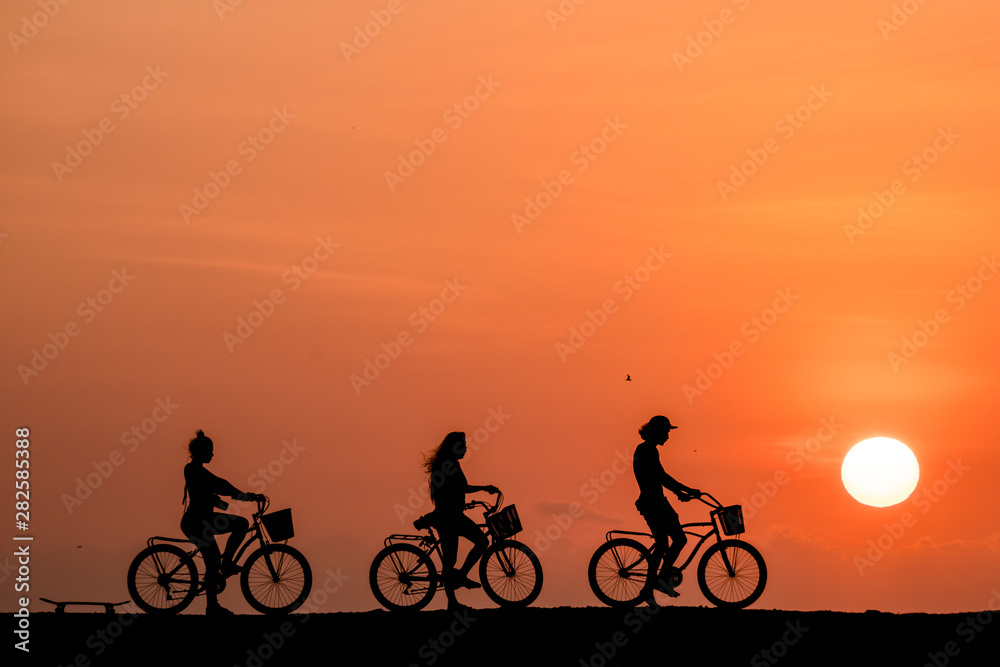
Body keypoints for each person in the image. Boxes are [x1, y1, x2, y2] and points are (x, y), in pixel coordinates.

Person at [180, 430, 262, 615]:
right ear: (202, 452)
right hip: (197, 522)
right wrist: (246, 497)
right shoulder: (194, 470)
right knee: (216, 556)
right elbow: (221, 484)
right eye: (210, 451)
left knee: (235, 530)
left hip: (202, 521)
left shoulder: (195, 470)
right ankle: (212, 604)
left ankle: (225, 566)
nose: (212, 454)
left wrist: (241, 496)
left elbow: (219, 486)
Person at [422, 431, 497, 611]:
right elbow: (461, 487)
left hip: (452, 515)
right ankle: (458, 587)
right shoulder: (449, 465)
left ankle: (457, 588)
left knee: (456, 556)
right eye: (462, 445)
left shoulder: (449, 464)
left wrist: (465, 503)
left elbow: (455, 491)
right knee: (471, 547)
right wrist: (484, 488)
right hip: (449, 518)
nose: (465, 449)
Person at [633, 415, 701, 597]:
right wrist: (687, 489)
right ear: (657, 431)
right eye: (666, 432)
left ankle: (649, 589)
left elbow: (658, 477)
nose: (668, 436)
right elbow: (661, 477)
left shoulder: (647, 449)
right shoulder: (648, 450)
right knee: (671, 542)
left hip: (655, 501)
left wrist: (679, 492)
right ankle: (660, 581)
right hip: (653, 503)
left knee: (670, 542)